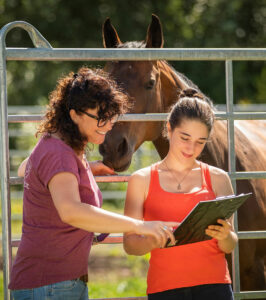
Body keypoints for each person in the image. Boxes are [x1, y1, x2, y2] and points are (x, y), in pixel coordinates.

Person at [9, 67, 178, 300]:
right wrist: (138, 226)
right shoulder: (59, 152)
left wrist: (81, 168)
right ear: (74, 114)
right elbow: (71, 211)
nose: (109, 125)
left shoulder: (62, 147)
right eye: (100, 117)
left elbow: (24, 169)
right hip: (50, 285)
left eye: (111, 117)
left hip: (57, 282)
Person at [123, 89, 238, 300]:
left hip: (215, 286)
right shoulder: (141, 179)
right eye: (185, 137)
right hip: (165, 288)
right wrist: (156, 239)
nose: (191, 148)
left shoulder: (219, 178)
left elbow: (230, 246)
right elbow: (130, 245)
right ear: (168, 128)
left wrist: (226, 236)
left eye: (200, 141)